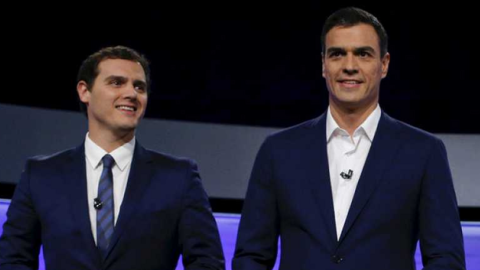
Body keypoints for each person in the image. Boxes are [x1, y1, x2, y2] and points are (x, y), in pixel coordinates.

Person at [233, 7, 465, 270]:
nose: (349, 66)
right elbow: (251, 256)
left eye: (363, 54)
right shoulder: (278, 151)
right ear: (323, 64)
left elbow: (445, 259)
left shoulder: (424, 152)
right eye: (337, 54)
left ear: (384, 64)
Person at [0, 46, 225, 270]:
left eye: (139, 86)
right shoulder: (40, 175)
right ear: (84, 91)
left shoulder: (179, 177)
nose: (131, 93)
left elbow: (208, 262)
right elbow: (12, 260)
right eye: (116, 82)